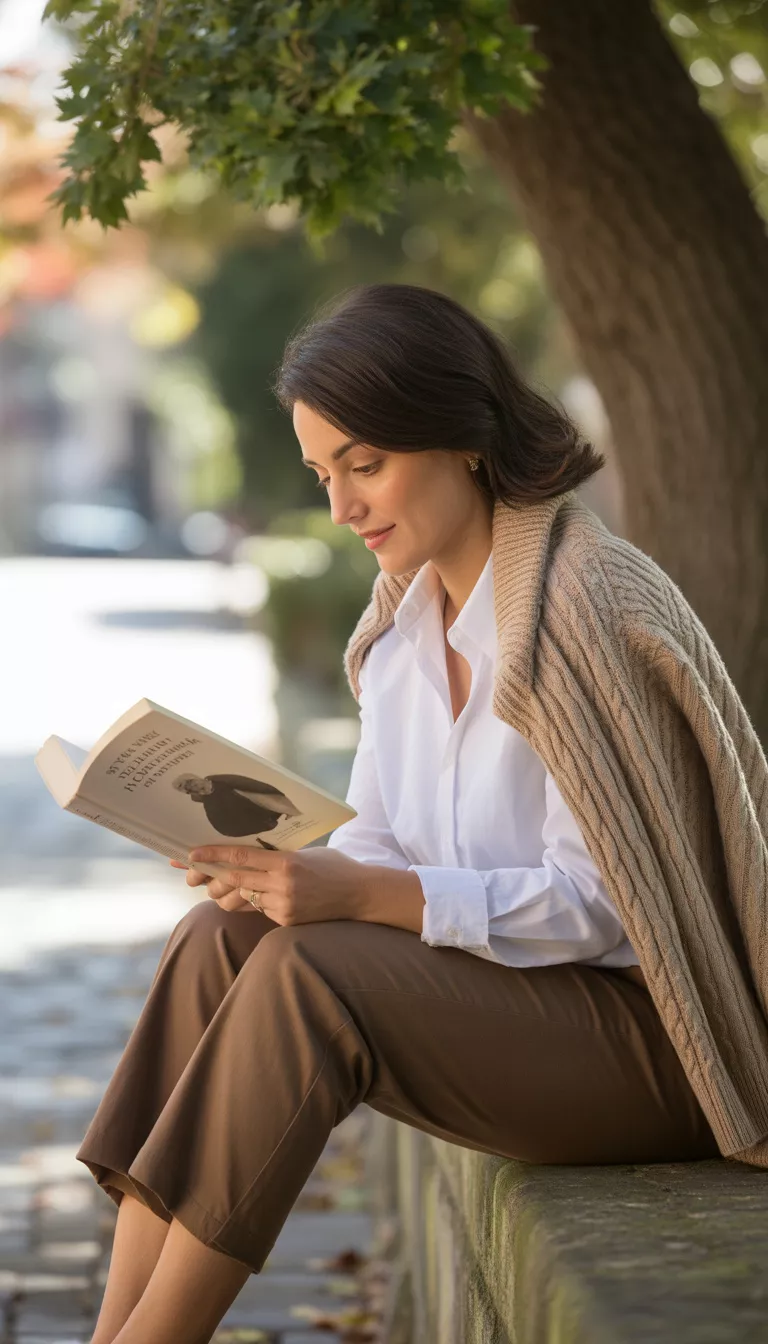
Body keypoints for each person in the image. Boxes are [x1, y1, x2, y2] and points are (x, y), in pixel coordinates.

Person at [77, 283, 768, 1344]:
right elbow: (385, 839)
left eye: (366, 464)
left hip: (658, 1048)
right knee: (222, 937)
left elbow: (610, 909)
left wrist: (367, 895)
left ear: (462, 435)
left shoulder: (580, 605)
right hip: (513, 1010)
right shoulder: (402, 624)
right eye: (324, 474)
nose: (344, 507)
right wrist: (276, 872)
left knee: (310, 977)